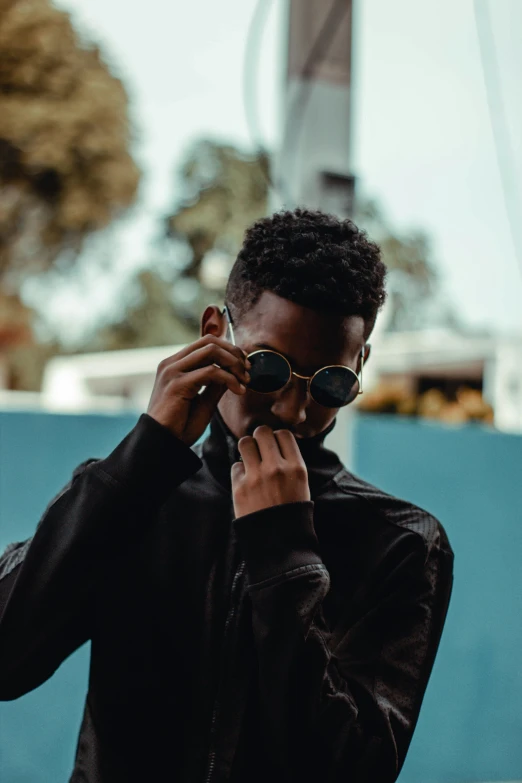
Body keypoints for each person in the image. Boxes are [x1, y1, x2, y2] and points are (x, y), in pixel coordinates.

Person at [0, 209, 454, 782]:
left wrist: (285, 555)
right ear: (215, 331)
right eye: (268, 369)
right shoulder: (132, 499)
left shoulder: (402, 542)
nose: (293, 411)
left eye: (330, 385)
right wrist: (144, 457)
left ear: (361, 364)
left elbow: (356, 770)